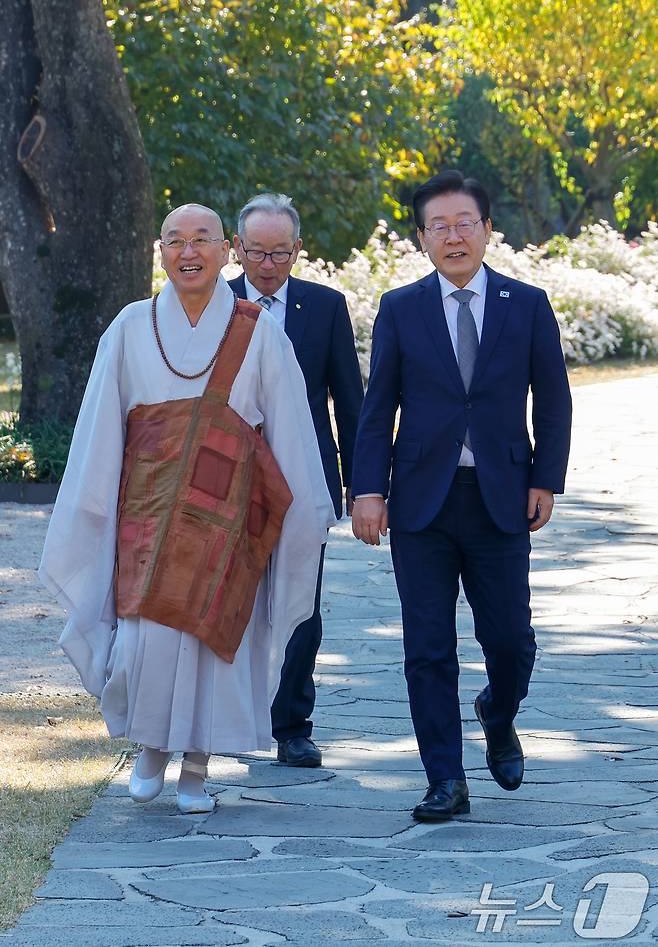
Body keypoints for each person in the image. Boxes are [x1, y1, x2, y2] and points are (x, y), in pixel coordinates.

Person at [39, 203, 335, 813]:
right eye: (175, 240)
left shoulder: (259, 331)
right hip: (147, 515)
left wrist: (300, 511)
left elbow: (290, 430)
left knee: (215, 638)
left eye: (202, 239)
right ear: (162, 251)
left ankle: (197, 767)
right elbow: (101, 427)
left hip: (227, 521)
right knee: (147, 637)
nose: (188, 251)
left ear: (226, 249)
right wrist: (96, 503)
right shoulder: (129, 324)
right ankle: (150, 749)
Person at [351, 171, 572, 822]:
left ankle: (497, 714)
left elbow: (554, 401)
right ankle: (445, 778)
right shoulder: (400, 308)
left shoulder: (526, 304)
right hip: (420, 501)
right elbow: (377, 407)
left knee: (509, 639)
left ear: (487, 230)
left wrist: (545, 478)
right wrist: (368, 488)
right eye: (439, 226)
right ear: (422, 239)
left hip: (501, 495)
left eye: (464, 223)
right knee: (427, 646)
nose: (453, 236)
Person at [229, 193, 363, 768]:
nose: (268, 264)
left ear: (297, 251)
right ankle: (223, 718)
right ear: (237, 248)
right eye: (257, 251)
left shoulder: (325, 306)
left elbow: (349, 401)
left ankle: (292, 724)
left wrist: (362, 486)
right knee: (222, 601)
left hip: (305, 479)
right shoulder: (211, 302)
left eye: (280, 253)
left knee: (301, 602)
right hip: (225, 480)